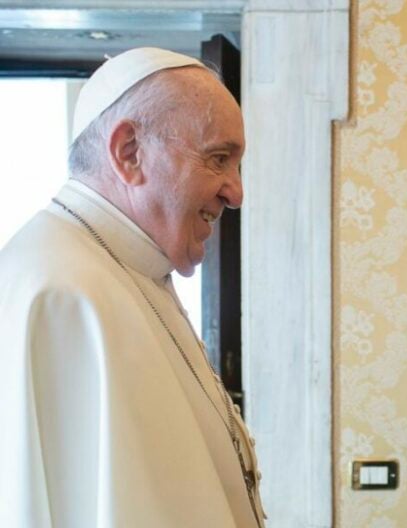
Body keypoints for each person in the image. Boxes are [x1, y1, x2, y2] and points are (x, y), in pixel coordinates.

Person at [0, 48, 266, 527]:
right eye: (219, 158)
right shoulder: (60, 291)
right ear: (129, 153)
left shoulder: (127, 270)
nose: (235, 191)